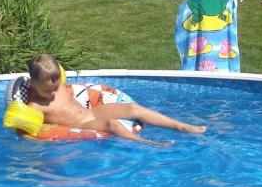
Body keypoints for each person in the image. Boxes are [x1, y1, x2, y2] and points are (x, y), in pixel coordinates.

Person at [23, 54, 206, 145]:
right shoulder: (35, 106)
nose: (54, 92)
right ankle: (149, 144)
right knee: (111, 123)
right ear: (33, 83)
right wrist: (41, 141)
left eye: (56, 87)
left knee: (133, 108)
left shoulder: (56, 83)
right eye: (48, 90)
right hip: (81, 124)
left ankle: (182, 126)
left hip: (91, 112)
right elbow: (23, 132)